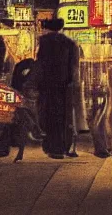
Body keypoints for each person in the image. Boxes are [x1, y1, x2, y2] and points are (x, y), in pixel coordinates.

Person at [36, 18, 79, 159]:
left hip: (47, 84)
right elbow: (73, 65)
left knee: (48, 114)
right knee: (63, 115)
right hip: (64, 84)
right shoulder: (69, 42)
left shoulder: (44, 42)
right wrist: (71, 81)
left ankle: (52, 147)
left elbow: (40, 63)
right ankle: (64, 146)